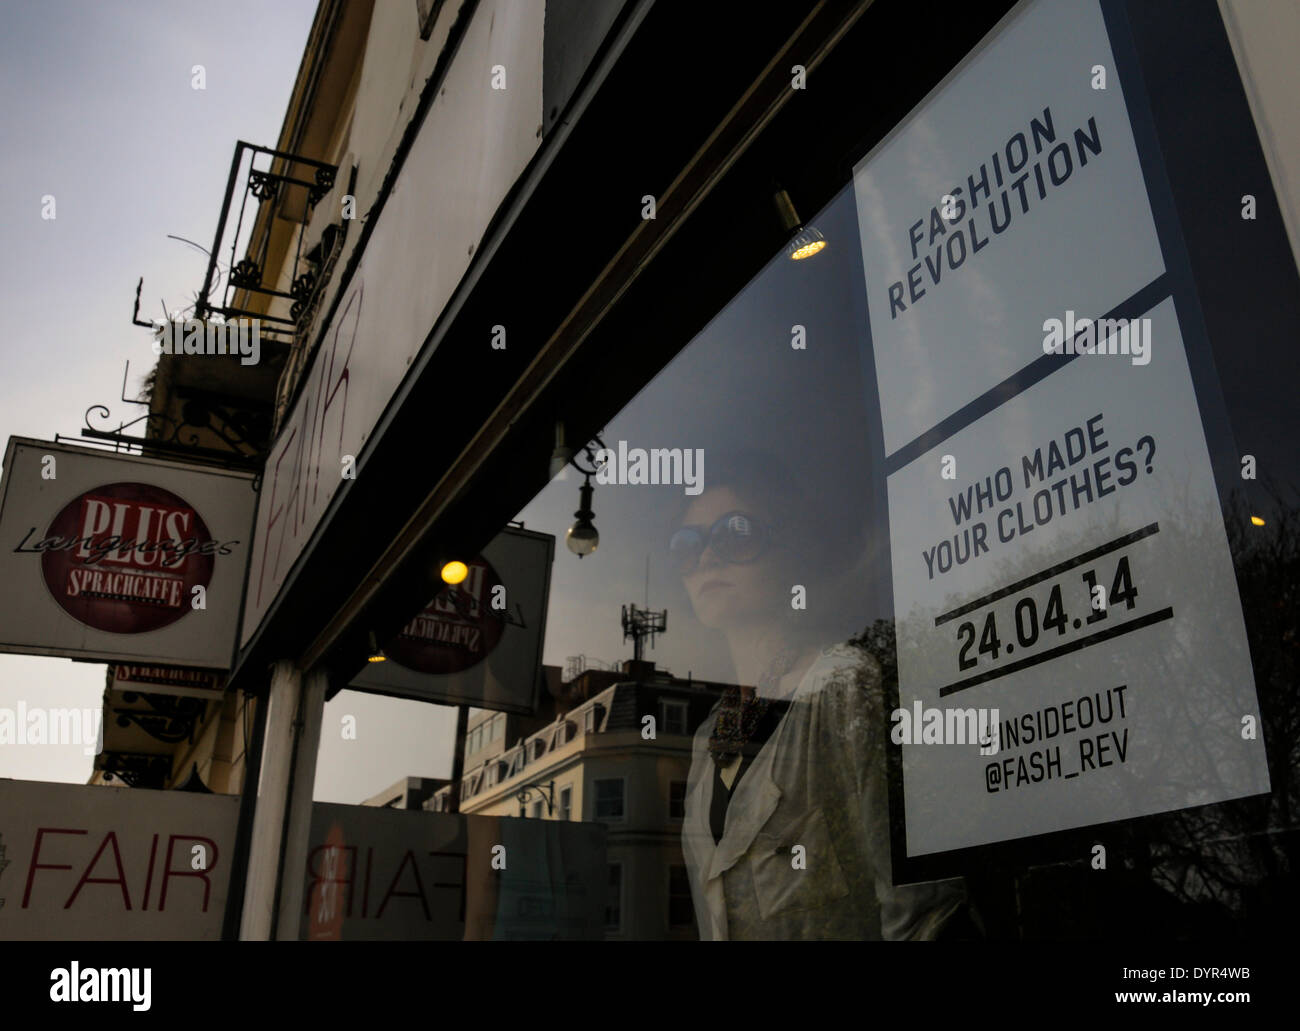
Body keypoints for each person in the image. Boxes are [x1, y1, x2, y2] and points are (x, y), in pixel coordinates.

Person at [672, 455, 971, 939]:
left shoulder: (846, 687)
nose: (707, 558)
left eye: (736, 534)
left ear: (787, 547)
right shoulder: (709, 739)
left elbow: (924, 918)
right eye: (687, 546)